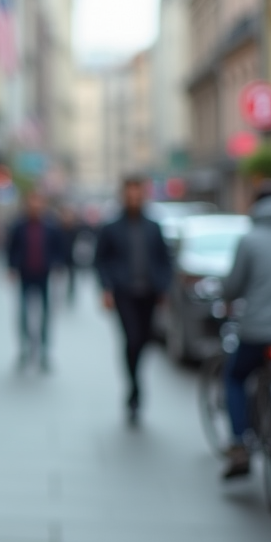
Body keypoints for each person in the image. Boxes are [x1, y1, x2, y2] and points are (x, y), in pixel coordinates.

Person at [219, 180, 271, 479]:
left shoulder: (250, 239)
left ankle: (240, 442)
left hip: (257, 330)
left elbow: (233, 287)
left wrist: (227, 301)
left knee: (236, 377)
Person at [94, 176, 172, 423]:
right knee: (132, 338)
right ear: (123, 195)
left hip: (149, 293)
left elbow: (165, 259)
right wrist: (106, 288)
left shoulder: (153, 227)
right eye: (130, 193)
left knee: (145, 340)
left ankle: (135, 377)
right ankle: (134, 388)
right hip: (124, 293)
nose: (134, 198)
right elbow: (101, 260)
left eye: (138, 193)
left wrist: (164, 287)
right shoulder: (111, 227)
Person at [6, 190, 65, 371]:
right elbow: (11, 248)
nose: (35, 207)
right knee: (24, 313)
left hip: (43, 275)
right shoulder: (19, 226)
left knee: (45, 314)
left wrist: (57, 265)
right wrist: (11, 267)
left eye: (38, 203)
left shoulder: (51, 226)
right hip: (25, 274)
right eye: (32, 203)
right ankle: (25, 348)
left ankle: (44, 350)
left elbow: (58, 249)